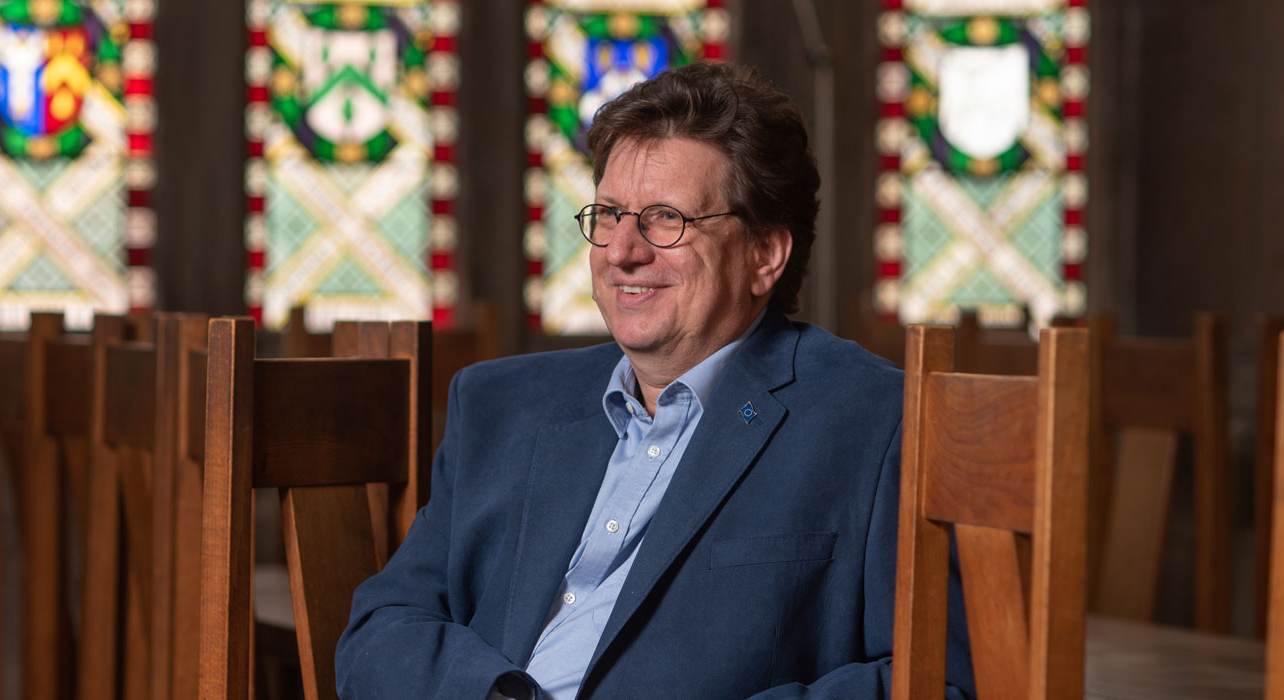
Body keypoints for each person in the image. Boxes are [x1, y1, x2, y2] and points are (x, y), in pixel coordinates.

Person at [336, 61, 973, 699]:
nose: (622, 251)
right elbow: (381, 631)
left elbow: (936, 684)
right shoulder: (497, 406)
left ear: (765, 254)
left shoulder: (880, 421)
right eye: (609, 214)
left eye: (666, 219)